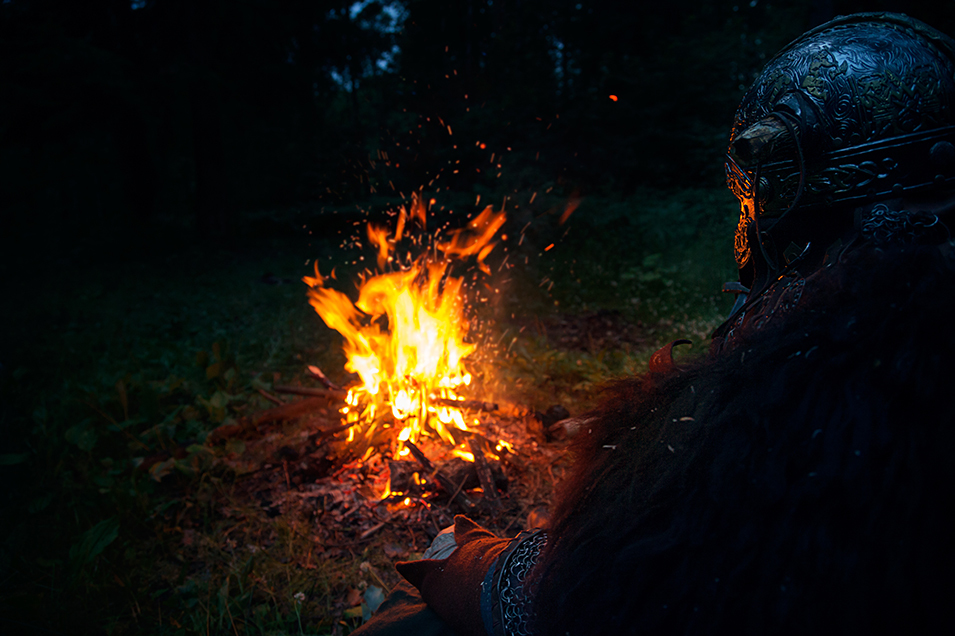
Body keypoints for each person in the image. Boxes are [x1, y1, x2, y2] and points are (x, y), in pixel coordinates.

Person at [354, 12, 955, 635]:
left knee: (401, 627)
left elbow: (631, 594)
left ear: (792, 205)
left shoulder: (829, 395)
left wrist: (477, 565)